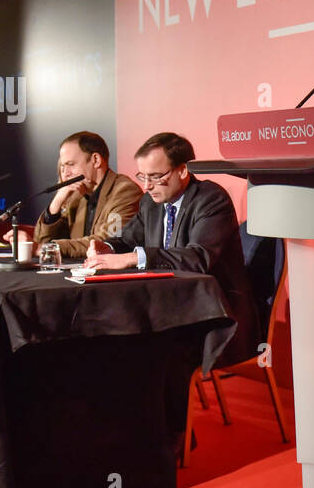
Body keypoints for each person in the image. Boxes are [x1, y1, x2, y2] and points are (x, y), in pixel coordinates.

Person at [84, 131, 258, 364]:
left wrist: (134, 259)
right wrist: (105, 247)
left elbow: (198, 258)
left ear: (183, 170)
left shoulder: (211, 199)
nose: (146, 186)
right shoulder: (151, 202)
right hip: (167, 306)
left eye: (155, 177)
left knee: (141, 351)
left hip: (212, 312)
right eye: (142, 176)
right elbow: (127, 240)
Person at [26, 131, 141, 260]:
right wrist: (57, 202)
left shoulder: (125, 191)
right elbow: (44, 240)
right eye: (63, 167)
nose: (66, 174)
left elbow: (106, 243)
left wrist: (45, 248)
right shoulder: (76, 195)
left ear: (96, 160)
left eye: (71, 165)